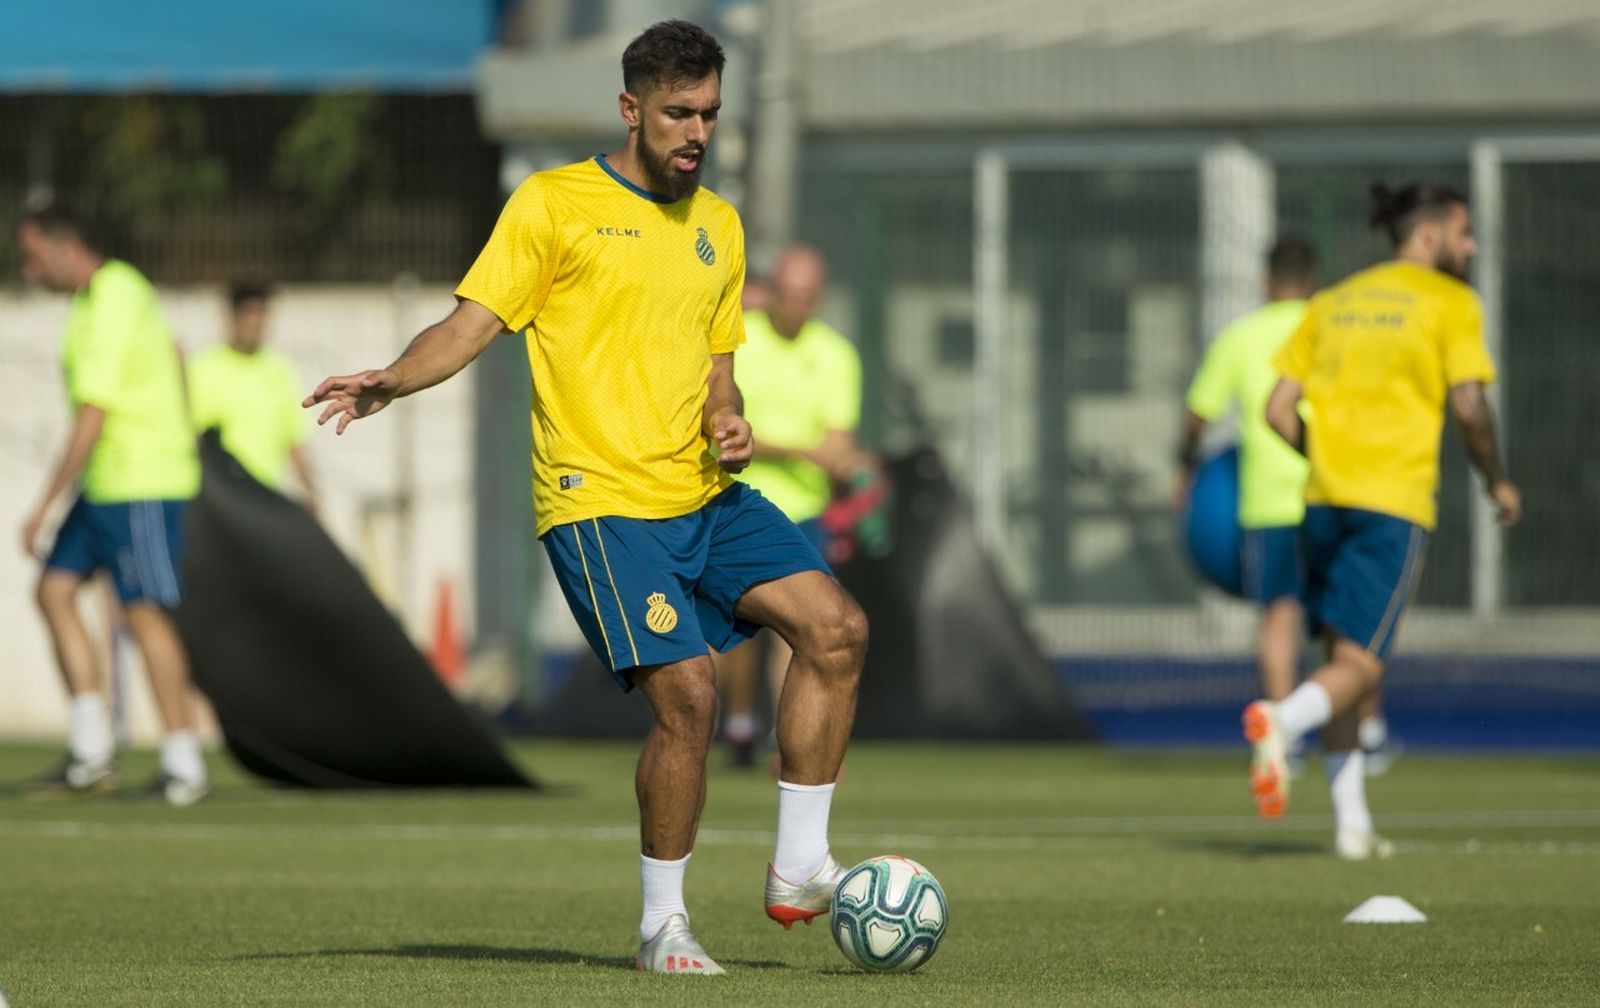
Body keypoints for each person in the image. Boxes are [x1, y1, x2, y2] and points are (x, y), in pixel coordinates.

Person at [304, 21, 867, 975]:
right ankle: (662, 927)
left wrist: (728, 419)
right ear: (631, 109)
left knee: (838, 629)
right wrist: (392, 380)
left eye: (711, 115)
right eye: (679, 112)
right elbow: (471, 324)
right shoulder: (554, 206)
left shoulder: (721, 229)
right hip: (598, 503)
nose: (697, 131)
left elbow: (719, 374)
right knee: (687, 697)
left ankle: (801, 865)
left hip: (702, 493)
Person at [1248, 182, 1522, 859]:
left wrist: (1328, 458)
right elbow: (1469, 408)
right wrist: (1497, 478)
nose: (1472, 246)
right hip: (1391, 504)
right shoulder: (1451, 303)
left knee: (1341, 656)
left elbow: (1278, 410)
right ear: (1429, 235)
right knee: (1364, 667)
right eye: (1464, 233)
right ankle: (1282, 720)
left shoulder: (1335, 301)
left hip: (1321, 502)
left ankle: (1350, 827)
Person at [16, 205, 210, 806]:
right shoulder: (105, 295)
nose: (27, 269)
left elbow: (92, 414)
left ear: (65, 247)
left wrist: (43, 503)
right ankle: (92, 752)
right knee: (53, 589)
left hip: (139, 482)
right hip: (107, 480)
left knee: (144, 614)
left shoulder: (112, 299)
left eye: (32, 256)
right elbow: (173, 351)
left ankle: (183, 764)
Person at [714, 245, 865, 768]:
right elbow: (726, 426)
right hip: (736, 504)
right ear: (773, 291)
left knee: (800, 631)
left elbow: (838, 442)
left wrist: (843, 461)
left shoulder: (837, 356)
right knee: (735, 634)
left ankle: (789, 744)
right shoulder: (740, 342)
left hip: (803, 513)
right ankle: (736, 723)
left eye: (807, 297)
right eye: (788, 293)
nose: (796, 305)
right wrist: (801, 448)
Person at [1180, 237, 1317, 710]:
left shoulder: (1240, 336)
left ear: (1265, 281)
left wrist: (1184, 468)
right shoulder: (1331, 329)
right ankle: (1366, 734)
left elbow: (1197, 413)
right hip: (1335, 493)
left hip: (1267, 503)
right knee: (1348, 620)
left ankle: (1283, 735)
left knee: (1279, 614)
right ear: (1313, 282)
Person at [187, 283, 319, 509]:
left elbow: (295, 442)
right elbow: (190, 437)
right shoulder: (202, 368)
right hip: (218, 500)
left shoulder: (280, 370)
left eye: (262, 313)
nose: (257, 321)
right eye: (250, 312)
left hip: (265, 499)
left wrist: (312, 493)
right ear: (232, 317)